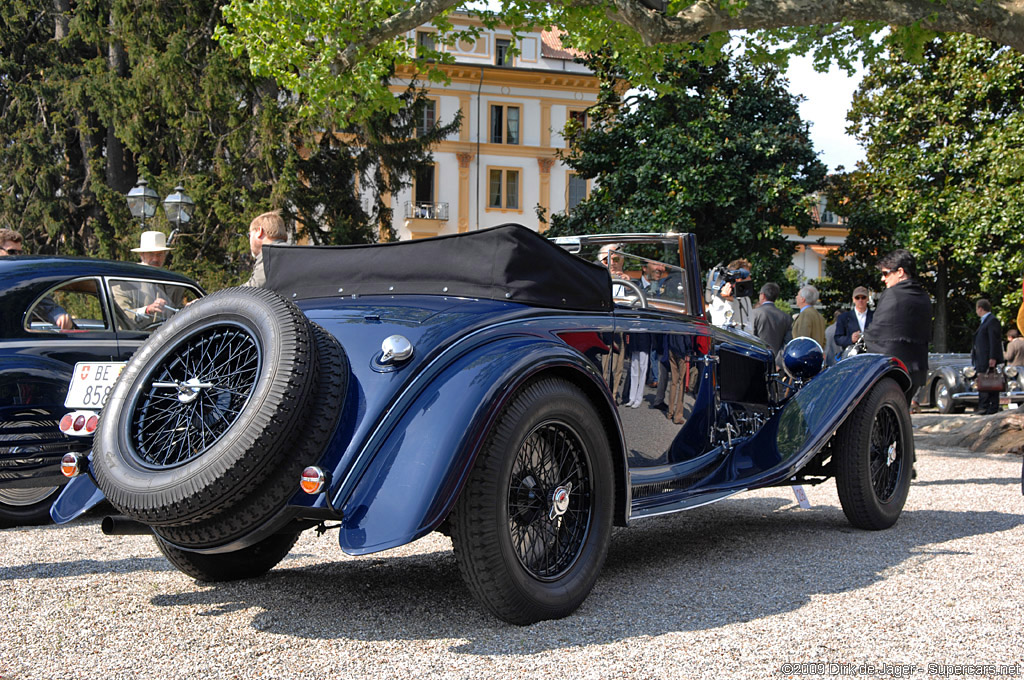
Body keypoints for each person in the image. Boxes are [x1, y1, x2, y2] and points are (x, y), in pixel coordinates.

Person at [863, 249, 931, 393]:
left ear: (900, 272)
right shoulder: (924, 296)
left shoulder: (892, 294)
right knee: (903, 410)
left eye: (886, 273)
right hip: (917, 367)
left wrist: (862, 338)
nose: (883, 278)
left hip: (892, 368)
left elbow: (877, 331)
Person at [1, 227, 72, 330]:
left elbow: (48, 307)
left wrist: (61, 318)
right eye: (11, 252)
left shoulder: (24, 281)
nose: (16, 257)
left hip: (17, 341)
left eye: (19, 253)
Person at [111, 230, 185, 329]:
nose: (155, 259)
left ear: (165, 255)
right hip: (135, 340)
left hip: (169, 341)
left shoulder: (173, 283)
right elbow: (122, 316)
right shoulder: (124, 281)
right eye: (151, 254)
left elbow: (178, 313)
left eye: (159, 254)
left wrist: (191, 308)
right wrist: (147, 310)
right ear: (142, 255)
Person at [972, 298, 1003, 416]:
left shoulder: (991, 321)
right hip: (981, 357)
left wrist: (993, 357)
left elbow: (993, 340)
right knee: (985, 381)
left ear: (980, 308)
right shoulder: (984, 322)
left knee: (989, 381)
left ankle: (987, 406)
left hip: (987, 357)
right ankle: (986, 405)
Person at [244, 211, 288, 288]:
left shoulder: (269, 255)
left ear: (259, 232)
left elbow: (252, 289)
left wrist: (224, 297)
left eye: (250, 235)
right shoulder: (294, 253)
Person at [708, 258, 753, 332]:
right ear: (736, 277)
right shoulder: (718, 298)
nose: (750, 278)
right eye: (746, 275)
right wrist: (729, 301)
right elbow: (721, 326)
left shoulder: (746, 298)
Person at [750, 282, 792, 354]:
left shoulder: (754, 314)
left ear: (762, 295)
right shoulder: (786, 317)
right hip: (776, 362)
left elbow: (749, 337)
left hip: (757, 357)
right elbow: (787, 344)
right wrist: (779, 363)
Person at [835, 286, 873, 352]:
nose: (860, 300)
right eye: (857, 298)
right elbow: (837, 339)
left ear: (867, 299)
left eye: (863, 297)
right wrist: (850, 339)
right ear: (853, 299)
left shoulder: (875, 316)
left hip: (870, 354)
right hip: (852, 356)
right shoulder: (843, 317)